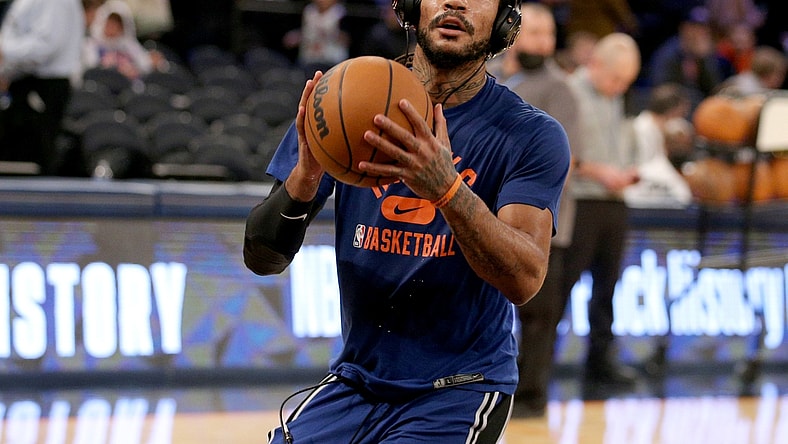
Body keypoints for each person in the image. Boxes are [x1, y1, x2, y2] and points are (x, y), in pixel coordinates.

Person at [243, 0, 571, 441]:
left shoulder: (530, 134)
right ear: (412, 6)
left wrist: (448, 191)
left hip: (459, 390)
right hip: (355, 380)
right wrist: (303, 178)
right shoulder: (348, 97)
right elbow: (262, 258)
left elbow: (525, 279)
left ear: (505, 21)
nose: (455, 1)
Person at [488, 2, 581, 418]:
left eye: (549, 35)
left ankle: (531, 397)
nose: (543, 42)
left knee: (539, 316)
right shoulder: (487, 75)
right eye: (535, 32)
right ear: (511, 30)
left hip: (544, 218)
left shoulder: (559, 88)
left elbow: (566, 159)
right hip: (486, 216)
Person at [563, 32, 642, 387]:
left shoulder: (616, 98)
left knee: (608, 287)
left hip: (614, 201)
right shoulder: (568, 92)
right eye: (615, 79)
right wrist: (599, 171)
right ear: (595, 63)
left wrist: (629, 172)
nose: (618, 88)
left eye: (626, 82)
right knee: (562, 285)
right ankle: (538, 362)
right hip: (580, 200)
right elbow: (558, 153)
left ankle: (601, 363)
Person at [0, 0, 85, 175]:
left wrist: (5, 53)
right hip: (23, 81)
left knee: (36, 158)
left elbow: (46, 46)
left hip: (46, 85)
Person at [623, 82, 694, 208]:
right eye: (681, 113)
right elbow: (641, 167)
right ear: (673, 111)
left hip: (658, 183)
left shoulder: (667, 131)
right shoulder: (639, 129)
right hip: (643, 190)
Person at [81, 0, 164, 80]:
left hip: (129, 89)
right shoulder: (90, 45)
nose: (112, 27)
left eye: (117, 24)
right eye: (110, 23)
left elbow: (145, 65)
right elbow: (91, 67)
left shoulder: (129, 45)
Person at [282, 0, 351, 73]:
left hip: (331, 61)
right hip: (309, 59)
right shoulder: (309, 11)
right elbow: (305, 32)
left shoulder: (340, 13)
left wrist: (330, 34)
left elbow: (346, 39)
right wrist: (296, 37)